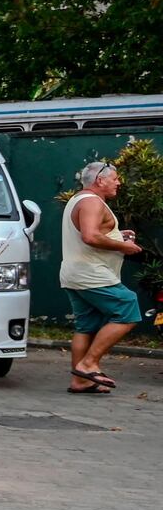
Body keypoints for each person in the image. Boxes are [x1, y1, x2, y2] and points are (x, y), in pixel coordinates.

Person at [60, 162, 142, 393]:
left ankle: (80, 381)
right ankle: (88, 364)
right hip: (91, 274)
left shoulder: (78, 200)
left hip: (75, 273)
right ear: (100, 180)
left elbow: (91, 232)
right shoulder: (91, 202)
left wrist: (117, 235)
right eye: (114, 178)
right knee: (128, 307)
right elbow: (90, 236)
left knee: (86, 325)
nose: (118, 182)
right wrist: (122, 246)